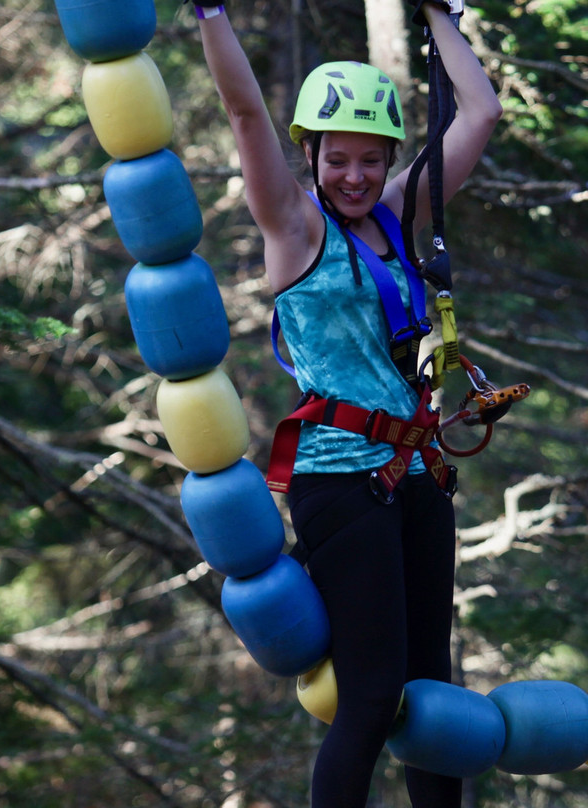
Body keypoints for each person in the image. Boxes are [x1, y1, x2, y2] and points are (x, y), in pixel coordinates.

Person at [191, 0, 503, 806]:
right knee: (371, 696)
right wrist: (212, 13)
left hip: (421, 475)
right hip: (342, 481)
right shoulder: (294, 228)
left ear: (391, 156)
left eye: (372, 160)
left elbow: (482, 111)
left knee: (432, 691)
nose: (356, 177)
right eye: (338, 160)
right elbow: (243, 110)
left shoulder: (403, 215)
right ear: (312, 155)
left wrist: (437, 15)